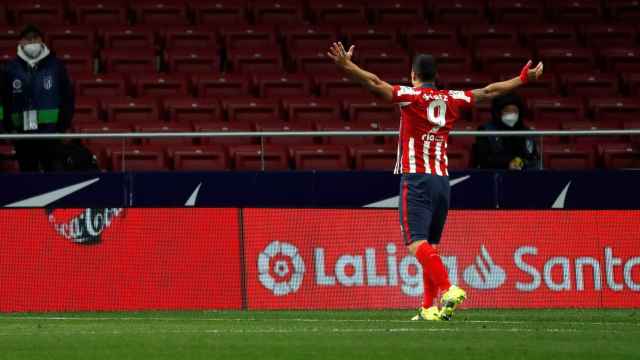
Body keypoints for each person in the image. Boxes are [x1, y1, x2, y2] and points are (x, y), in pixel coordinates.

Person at [327, 42, 543, 321]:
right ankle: (428, 307)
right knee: (430, 244)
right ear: (435, 77)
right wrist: (523, 79)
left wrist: (348, 67)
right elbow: (490, 91)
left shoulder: (410, 96)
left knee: (415, 243)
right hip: (442, 182)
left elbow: (375, 83)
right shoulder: (452, 98)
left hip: (417, 179)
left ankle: (448, 288)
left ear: (413, 75)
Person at [2, 25, 75, 172]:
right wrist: (8, 128)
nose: (31, 42)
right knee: (27, 175)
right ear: (20, 42)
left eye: (35, 38)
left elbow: (67, 98)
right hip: (22, 134)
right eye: (27, 39)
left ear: (41, 40)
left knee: (52, 175)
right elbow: (4, 100)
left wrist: (64, 126)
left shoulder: (55, 66)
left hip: (50, 133)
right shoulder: (10, 68)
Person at [473, 93, 539, 170]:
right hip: (493, 175)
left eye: (514, 111)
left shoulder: (526, 132)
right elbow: (483, 159)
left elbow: (532, 158)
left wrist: (520, 163)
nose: (511, 114)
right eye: (507, 111)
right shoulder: (485, 130)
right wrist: (508, 163)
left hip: (522, 175)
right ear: (498, 113)